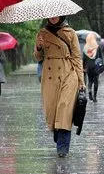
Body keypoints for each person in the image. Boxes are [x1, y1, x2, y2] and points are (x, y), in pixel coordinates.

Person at [33, 16, 85, 158]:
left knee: (65, 109)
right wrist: (38, 46)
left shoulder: (70, 32)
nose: (53, 17)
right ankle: (59, 135)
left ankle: (62, 147)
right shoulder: (42, 33)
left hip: (68, 73)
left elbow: (76, 57)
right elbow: (38, 57)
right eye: (50, 15)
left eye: (56, 15)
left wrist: (81, 80)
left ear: (62, 15)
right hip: (50, 76)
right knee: (52, 110)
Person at [82, 32, 104, 102]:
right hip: (96, 67)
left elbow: (84, 59)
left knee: (90, 81)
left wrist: (83, 67)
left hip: (88, 67)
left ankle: (89, 92)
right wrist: (103, 67)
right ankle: (94, 97)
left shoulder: (85, 48)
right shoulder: (97, 47)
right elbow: (100, 58)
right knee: (96, 81)